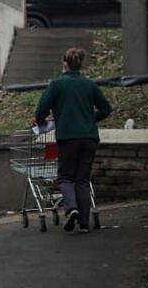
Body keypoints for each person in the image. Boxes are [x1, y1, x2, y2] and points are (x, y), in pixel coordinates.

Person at [32, 47, 112, 233]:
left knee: (66, 177)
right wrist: (90, 119)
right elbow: (106, 109)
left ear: (65, 64)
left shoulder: (57, 84)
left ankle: (71, 208)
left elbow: (42, 109)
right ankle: (84, 224)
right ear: (80, 64)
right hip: (89, 138)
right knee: (83, 180)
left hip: (68, 137)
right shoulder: (89, 84)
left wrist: (42, 122)